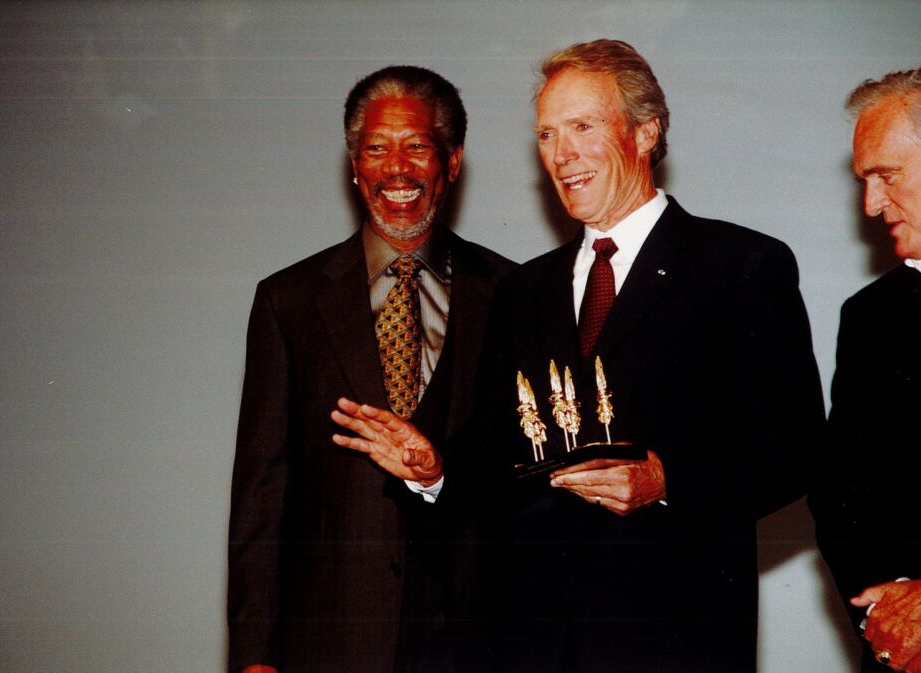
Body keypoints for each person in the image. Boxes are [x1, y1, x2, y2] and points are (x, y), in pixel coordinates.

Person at [333, 39, 825, 673]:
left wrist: (667, 480)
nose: (561, 155)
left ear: (644, 133)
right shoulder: (522, 291)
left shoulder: (740, 266)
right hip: (536, 641)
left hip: (679, 636)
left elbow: (795, 447)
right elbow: (497, 448)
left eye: (582, 127)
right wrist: (434, 469)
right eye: (546, 135)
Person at [227, 65, 514, 673]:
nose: (398, 169)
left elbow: (521, 475)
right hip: (329, 641)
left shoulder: (515, 294)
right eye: (376, 149)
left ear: (453, 162)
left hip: (475, 640)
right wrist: (254, 655)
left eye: (417, 147)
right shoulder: (289, 301)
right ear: (355, 165)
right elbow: (262, 489)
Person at [809, 57, 921, 673]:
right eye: (862, 181)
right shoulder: (869, 314)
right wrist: (894, 624)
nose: (871, 205)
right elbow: (839, 499)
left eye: (886, 175)